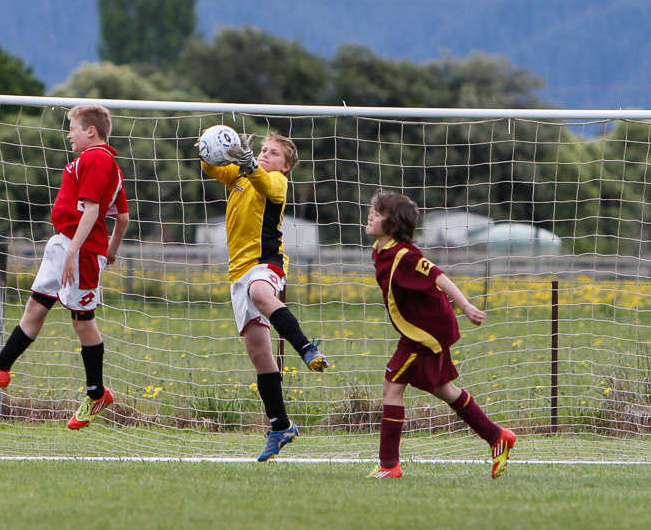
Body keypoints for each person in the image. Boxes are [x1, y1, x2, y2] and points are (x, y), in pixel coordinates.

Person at [0, 104, 130, 430]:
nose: (69, 135)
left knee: (82, 322)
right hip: (64, 244)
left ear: (91, 131)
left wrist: (77, 251)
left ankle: (96, 394)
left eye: (73, 128)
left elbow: (93, 212)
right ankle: (0, 368)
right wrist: (112, 251)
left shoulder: (97, 159)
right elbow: (122, 218)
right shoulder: (105, 164)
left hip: (79, 251)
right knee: (35, 307)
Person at [364, 189, 516, 479]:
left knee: (392, 387)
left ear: (393, 225)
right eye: (373, 210)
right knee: (443, 389)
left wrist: (466, 306)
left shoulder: (406, 255)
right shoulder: (380, 251)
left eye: (378, 213)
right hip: (424, 327)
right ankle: (497, 437)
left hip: (425, 331)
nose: (370, 215)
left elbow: (438, 276)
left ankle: (389, 465)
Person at [200, 131, 328, 462]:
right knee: (258, 353)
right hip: (237, 273)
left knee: (260, 291)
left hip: (266, 262)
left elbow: (267, 185)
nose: (264, 155)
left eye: (273, 153)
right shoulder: (239, 175)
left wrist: (252, 166)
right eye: (263, 150)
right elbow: (212, 169)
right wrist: (211, 148)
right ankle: (280, 426)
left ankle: (306, 348)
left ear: (286, 166)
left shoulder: (276, 181)